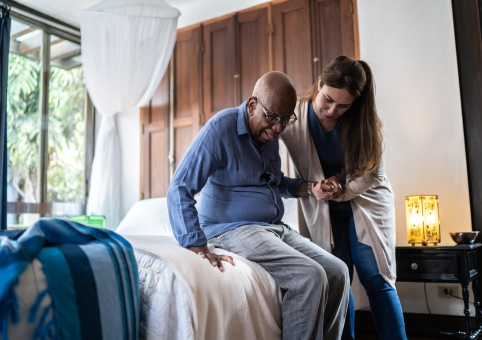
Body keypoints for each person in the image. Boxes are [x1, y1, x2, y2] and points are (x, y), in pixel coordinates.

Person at [167, 71, 350, 340]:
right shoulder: (220, 129)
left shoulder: (268, 138)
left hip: (272, 227)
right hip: (231, 229)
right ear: (253, 105)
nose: (277, 128)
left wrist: (310, 187)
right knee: (309, 277)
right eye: (272, 118)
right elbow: (179, 188)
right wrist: (197, 245)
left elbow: (274, 183)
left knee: (337, 272)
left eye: (285, 120)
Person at [281, 56, 407, 340]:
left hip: (365, 201)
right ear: (319, 83)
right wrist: (308, 187)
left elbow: (373, 174)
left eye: (343, 105)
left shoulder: (363, 122)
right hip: (322, 205)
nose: (332, 110)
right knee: (338, 279)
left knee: (375, 276)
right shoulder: (294, 116)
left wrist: (341, 185)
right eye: (328, 100)